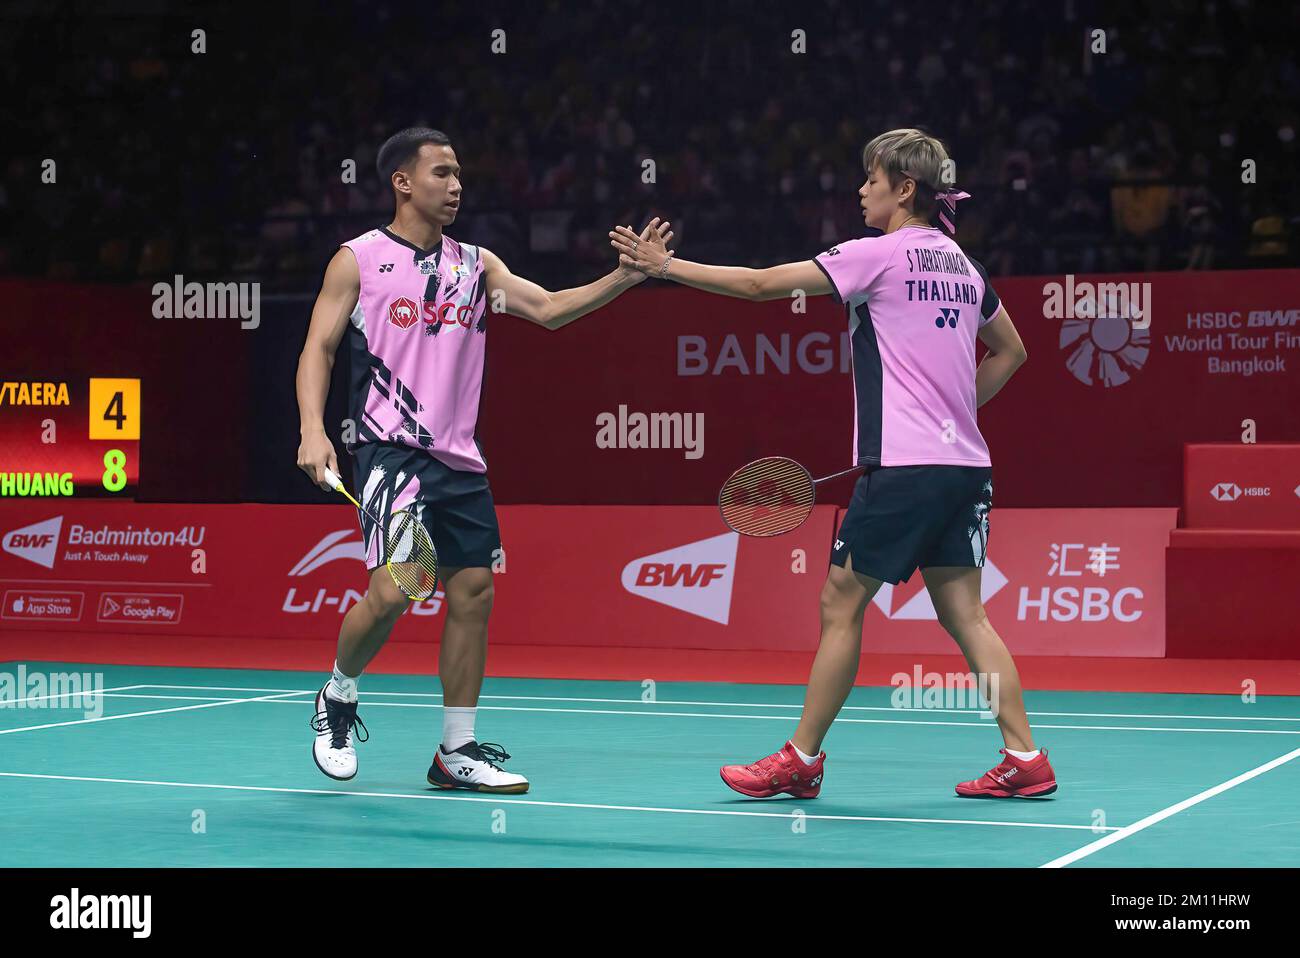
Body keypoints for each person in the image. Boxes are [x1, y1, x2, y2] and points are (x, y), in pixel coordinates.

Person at [611, 128, 1054, 799]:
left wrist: (664, 268)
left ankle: (801, 759)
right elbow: (1012, 351)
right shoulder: (965, 267)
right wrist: (954, 414)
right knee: (968, 615)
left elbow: (762, 285)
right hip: (965, 467)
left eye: (871, 180)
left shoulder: (874, 255)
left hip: (905, 468)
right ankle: (1025, 758)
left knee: (840, 602)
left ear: (905, 189)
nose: (861, 190)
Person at [297, 126, 667, 793]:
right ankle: (338, 695)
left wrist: (625, 276)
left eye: (459, 173)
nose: (456, 185)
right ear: (403, 183)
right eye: (441, 173)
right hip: (392, 453)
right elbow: (319, 348)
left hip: (461, 461)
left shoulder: (477, 265)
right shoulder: (359, 260)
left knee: (473, 592)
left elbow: (550, 310)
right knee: (396, 589)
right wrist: (311, 429)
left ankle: (455, 751)